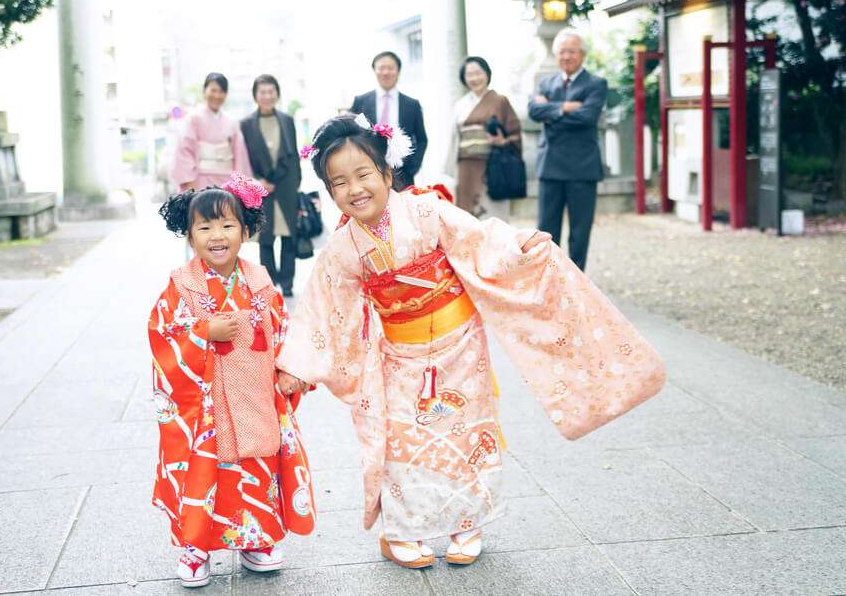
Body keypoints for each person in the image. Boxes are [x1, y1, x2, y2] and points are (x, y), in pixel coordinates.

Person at [280, 116, 665, 569]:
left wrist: (519, 248)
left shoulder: (428, 212)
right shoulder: (342, 249)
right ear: (329, 191)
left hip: (461, 346)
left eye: (364, 174)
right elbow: (322, 309)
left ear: (387, 172)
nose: (354, 188)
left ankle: (467, 522)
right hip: (399, 357)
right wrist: (299, 366)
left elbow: (480, 241)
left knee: (467, 433)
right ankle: (403, 530)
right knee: (403, 442)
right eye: (339, 182)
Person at [148, 174, 315, 588]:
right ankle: (195, 548)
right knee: (203, 471)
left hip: (254, 396)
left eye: (227, 226)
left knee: (255, 467)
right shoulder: (181, 285)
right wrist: (203, 332)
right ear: (189, 234)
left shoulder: (258, 281)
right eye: (204, 227)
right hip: (203, 406)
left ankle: (254, 538)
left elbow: (281, 330)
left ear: (245, 230)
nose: (216, 235)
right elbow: (161, 333)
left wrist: (292, 368)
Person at [527, 29, 608, 271]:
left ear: (582, 54)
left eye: (571, 51)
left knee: (579, 232)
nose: (566, 57)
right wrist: (565, 107)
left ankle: (577, 285)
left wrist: (550, 112)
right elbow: (533, 112)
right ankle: (547, 279)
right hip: (550, 166)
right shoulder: (546, 82)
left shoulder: (595, 83)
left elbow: (587, 117)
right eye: (562, 52)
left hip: (582, 168)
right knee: (546, 230)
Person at [240, 75, 302, 297]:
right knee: (265, 238)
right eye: (262, 92)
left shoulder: (287, 120)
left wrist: (296, 184)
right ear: (255, 95)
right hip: (261, 187)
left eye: (271, 92)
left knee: (288, 235)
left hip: (286, 185)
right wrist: (257, 182)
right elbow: (243, 158)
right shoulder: (246, 124)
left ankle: (287, 283)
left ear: (277, 94)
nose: (267, 96)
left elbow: (293, 154)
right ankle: (269, 282)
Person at [446, 56, 522, 217]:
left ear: (487, 74)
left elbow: (515, 133)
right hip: (465, 168)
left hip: (493, 167)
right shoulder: (460, 104)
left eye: (478, 73)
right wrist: (450, 171)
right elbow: (453, 140)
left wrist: (503, 142)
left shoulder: (500, 101)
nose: (474, 78)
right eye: (469, 74)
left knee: (492, 217)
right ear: (464, 78)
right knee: (466, 217)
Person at [349, 51, 426, 188]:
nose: (386, 72)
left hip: (403, 174)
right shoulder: (360, 102)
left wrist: (412, 168)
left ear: (398, 71)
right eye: (381, 68)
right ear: (375, 70)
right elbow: (351, 134)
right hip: (368, 172)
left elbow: (421, 139)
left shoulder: (412, 104)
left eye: (390, 68)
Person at [171, 73, 252, 191]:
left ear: (226, 94)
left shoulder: (232, 122)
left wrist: (239, 185)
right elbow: (184, 151)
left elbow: (239, 156)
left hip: (227, 182)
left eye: (221, 91)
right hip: (199, 180)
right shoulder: (193, 118)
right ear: (204, 91)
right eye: (213, 90)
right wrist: (190, 183)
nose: (217, 95)